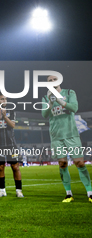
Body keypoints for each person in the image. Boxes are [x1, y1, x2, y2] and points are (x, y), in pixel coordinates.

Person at [42, 75, 92, 203]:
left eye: (54, 79)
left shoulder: (69, 92)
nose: (52, 82)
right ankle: (68, 194)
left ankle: (90, 192)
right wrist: (50, 102)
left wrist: (59, 101)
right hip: (56, 137)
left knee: (79, 163)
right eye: (50, 80)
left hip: (71, 134)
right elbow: (44, 114)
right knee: (62, 164)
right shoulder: (44, 98)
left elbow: (74, 108)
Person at [0, 92, 24, 198]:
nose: (4, 101)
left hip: (10, 144)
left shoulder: (11, 112)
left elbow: (12, 125)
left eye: (5, 99)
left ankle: (19, 190)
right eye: (2, 99)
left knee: (15, 166)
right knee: (0, 167)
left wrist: (4, 117)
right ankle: (2, 191)